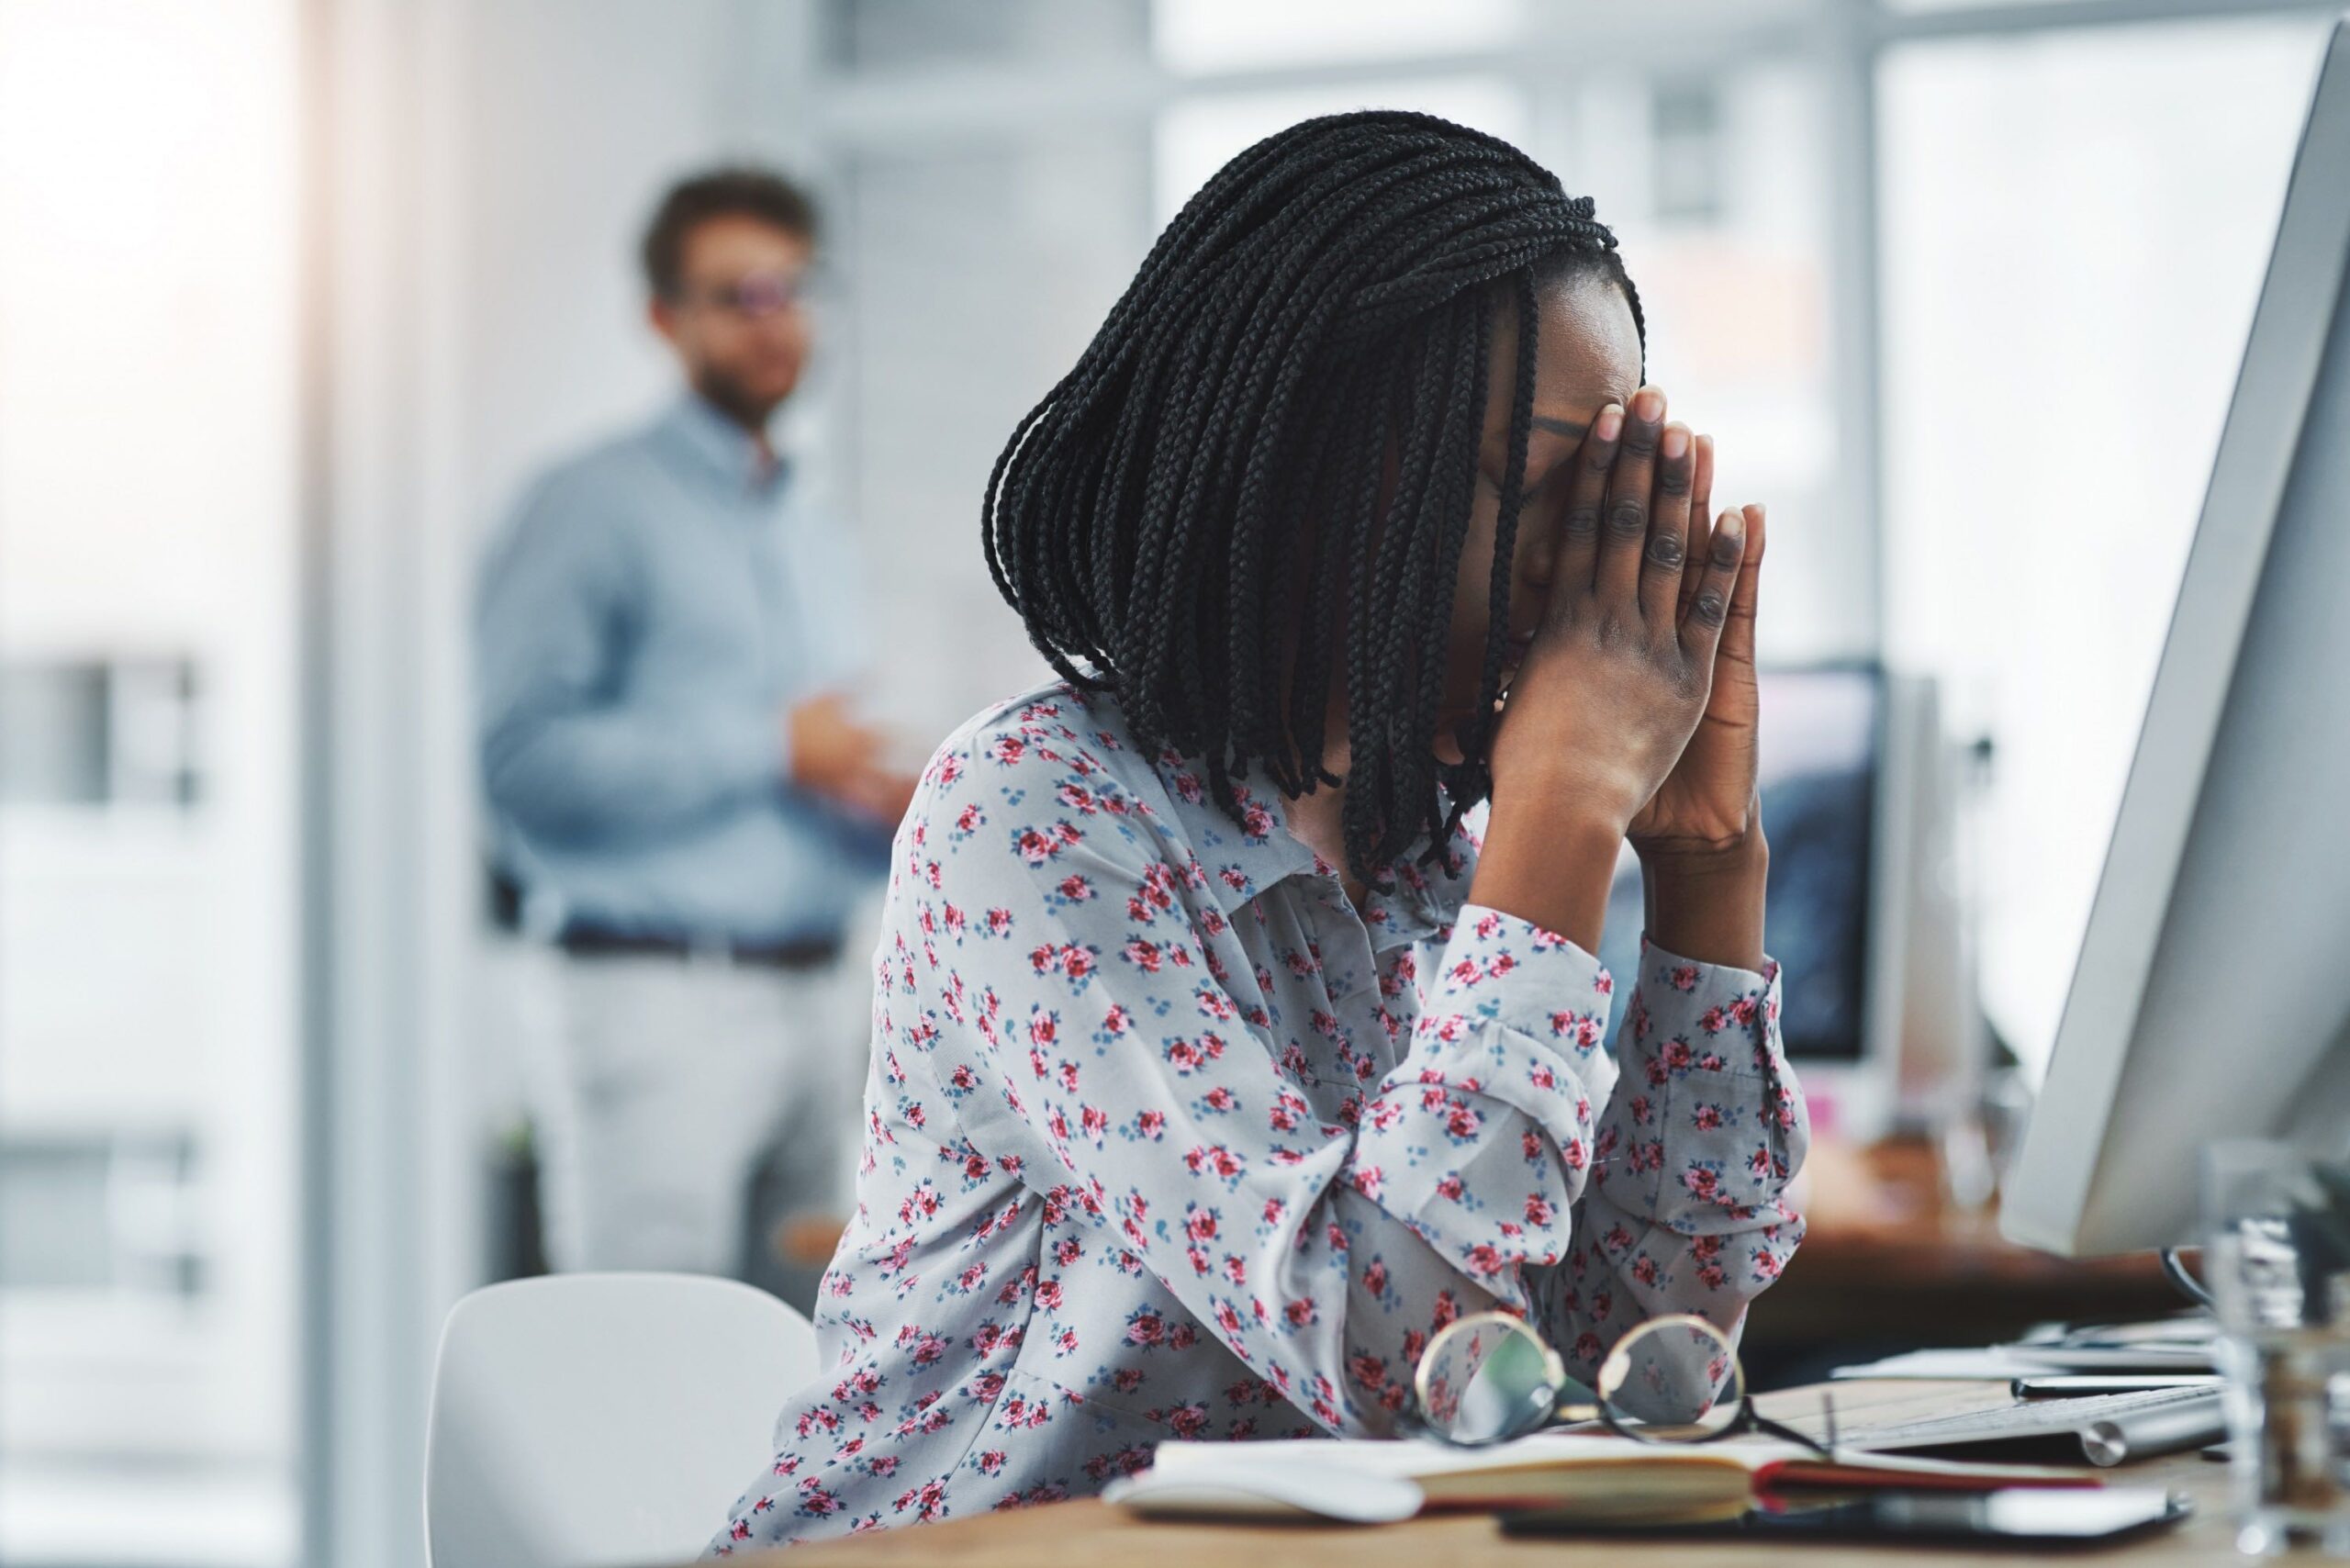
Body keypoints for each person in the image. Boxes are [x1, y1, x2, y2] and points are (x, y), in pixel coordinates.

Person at [711, 112, 1807, 1551]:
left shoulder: (1418, 866)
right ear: (1320, 474)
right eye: (1550, 498)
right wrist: (1558, 818)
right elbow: (1404, 1355)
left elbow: (1612, 1355)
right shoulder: (1035, 817)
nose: (1599, 582)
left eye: (1619, 505)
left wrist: (1704, 870)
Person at [475, 167, 914, 1280]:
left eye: (792, 287)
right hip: (653, 1004)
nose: (774, 321)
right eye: (737, 295)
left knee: (805, 1362)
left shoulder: (814, 536)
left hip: (818, 995)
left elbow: (806, 768)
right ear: (666, 318)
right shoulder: (588, 506)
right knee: (647, 1354)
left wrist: (886, 808)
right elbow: (520, 762)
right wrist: (771, 744)